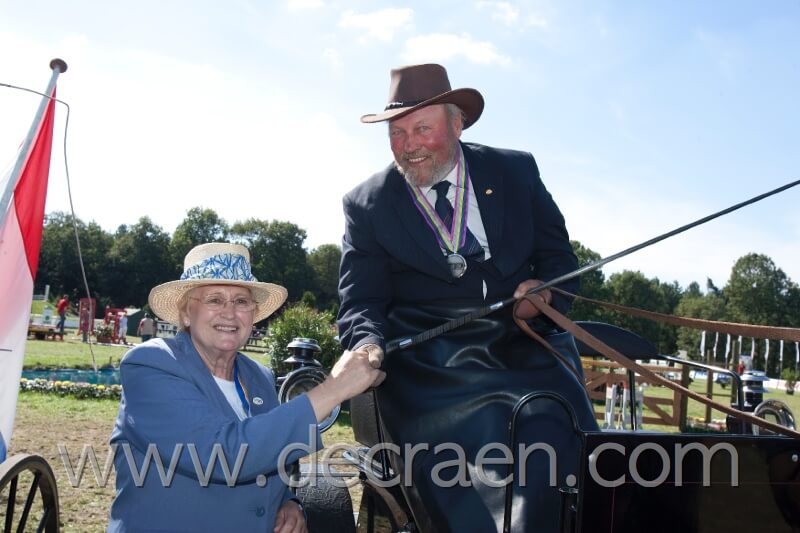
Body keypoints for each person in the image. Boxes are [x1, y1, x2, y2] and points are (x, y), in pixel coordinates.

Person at [338, 63, 598, 532]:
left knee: (558, 442)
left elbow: (560, 260)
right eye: (396, 133)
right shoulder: (366, 203)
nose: (409, 145)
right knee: (456, 484)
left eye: (423, 129)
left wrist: (544, 295)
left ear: (457, 124)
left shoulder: (516, 170)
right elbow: (361, 300)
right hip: (429, 360)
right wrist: (367, 345)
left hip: (524, 342)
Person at [108, 242, 385, 532]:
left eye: (241, 301)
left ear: (253, 315)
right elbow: (223, 456)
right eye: (215, 300)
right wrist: (334, 389)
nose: (230, 313)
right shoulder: (151, 365)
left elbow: (271, 458)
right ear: (187, 313)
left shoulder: (259, 377)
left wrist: (288, 502)